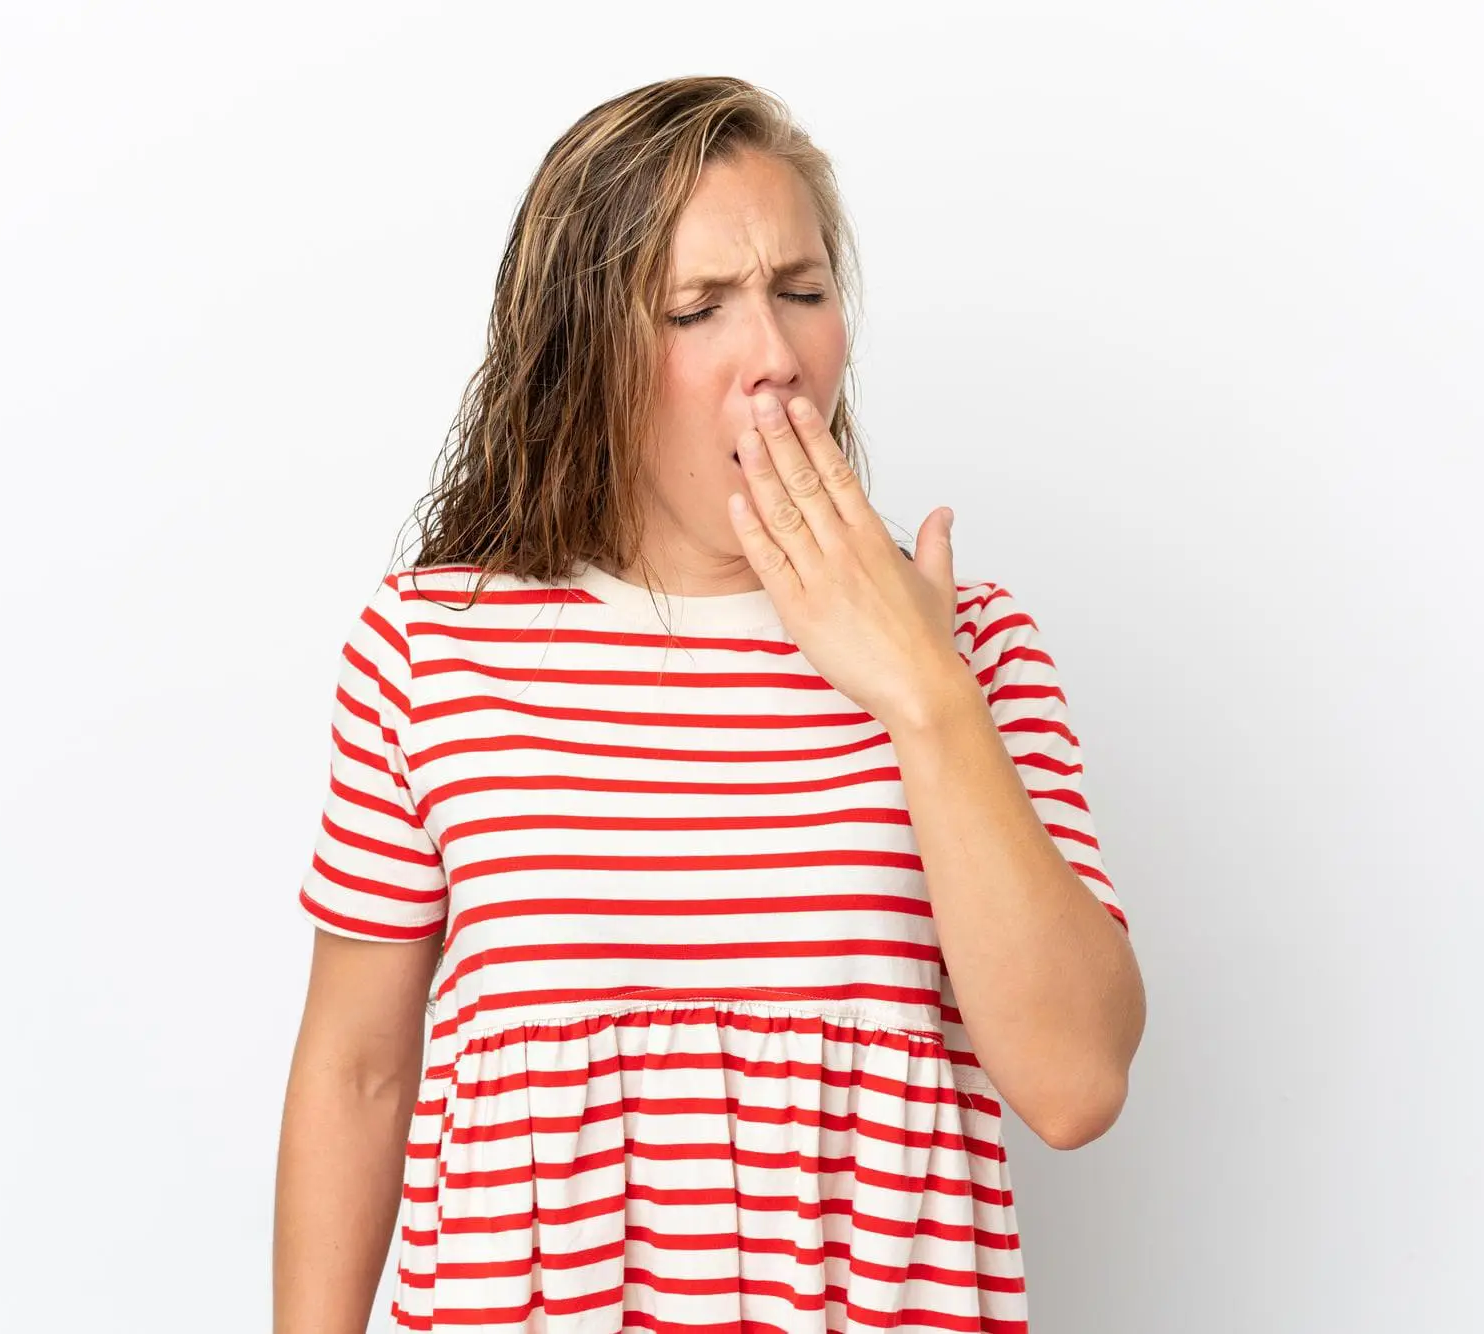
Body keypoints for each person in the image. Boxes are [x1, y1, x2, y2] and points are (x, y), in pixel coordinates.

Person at [274, 75, 1145, 1334]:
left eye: (802, 292)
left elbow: (1074, 1083)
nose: (777, 358)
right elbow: (355, 1074)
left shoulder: (969, 644)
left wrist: (921, 691)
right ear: (586, 358)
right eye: (698, 309)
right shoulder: (434, 647)